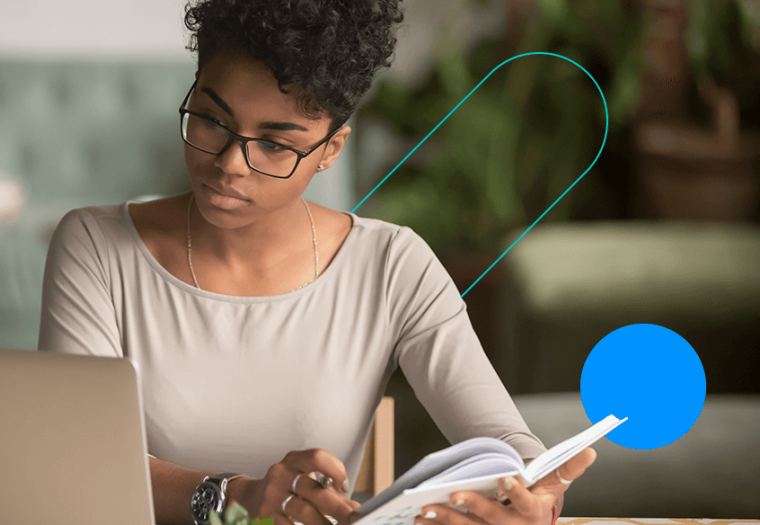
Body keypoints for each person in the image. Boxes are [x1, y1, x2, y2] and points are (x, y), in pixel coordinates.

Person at [37, 0, 596, 524]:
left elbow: (502, 437)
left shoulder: (392, 265)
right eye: (212, 121)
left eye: (276, 145)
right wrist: (235, 498)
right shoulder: (96, 247)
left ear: (331, 149)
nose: (231, 163)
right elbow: (72, 462)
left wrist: (533, 492)